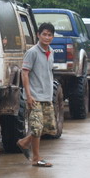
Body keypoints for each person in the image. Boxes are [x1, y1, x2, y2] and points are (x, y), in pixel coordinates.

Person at [16, 22, 57, 167]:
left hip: (47, 95)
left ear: (53, 37)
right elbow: (25, 73)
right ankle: (36, 158)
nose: (47, 37)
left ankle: (24, 142)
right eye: (44, 34)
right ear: (38, 35)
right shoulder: (32, 52)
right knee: (37, 127)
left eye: (49, 35)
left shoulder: (51, 52)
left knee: (48, 127)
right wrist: (28, 95)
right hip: (34, 96)